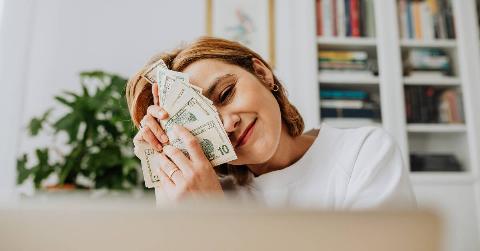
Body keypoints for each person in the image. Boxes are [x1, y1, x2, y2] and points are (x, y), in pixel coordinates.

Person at [125, 37, 416, 210]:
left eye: (226, 93)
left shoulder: (362, 152)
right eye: (203, 120)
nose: (227, 125)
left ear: (262, 74)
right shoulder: (208, 194)